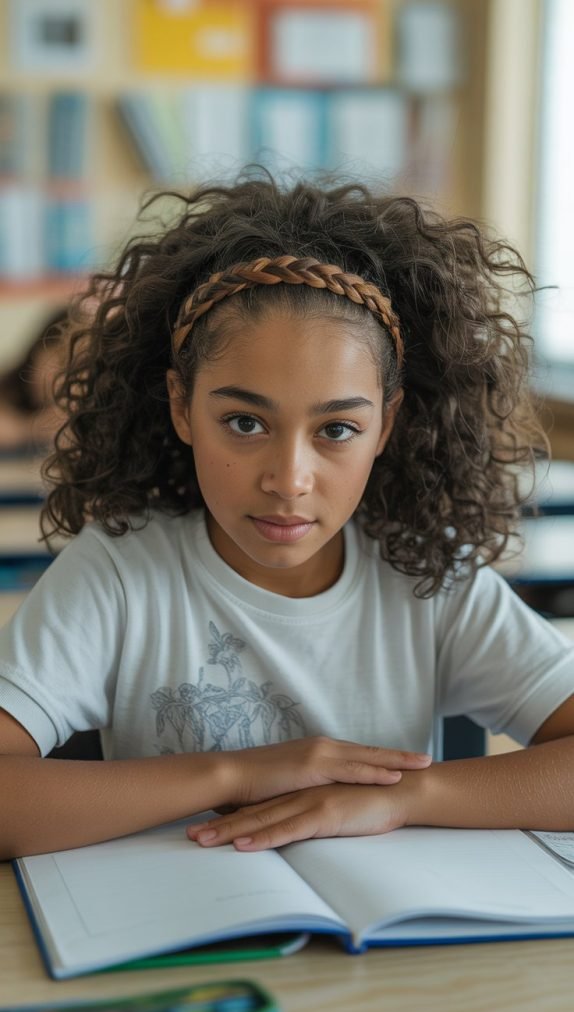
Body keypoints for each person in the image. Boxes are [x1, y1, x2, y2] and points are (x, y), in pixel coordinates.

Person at [1, 171, 573, 862]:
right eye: (244, 422)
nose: (288, 480)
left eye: (336, 430)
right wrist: (240, 773)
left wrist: (401, 799)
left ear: (386, 425)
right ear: (182, 406)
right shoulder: (120, 574)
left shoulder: (427, 577)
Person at [0, 307, 70, 452]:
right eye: (62, 360)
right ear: (37, 352)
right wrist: (33, 429)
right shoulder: (8, 386)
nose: (65, 377)